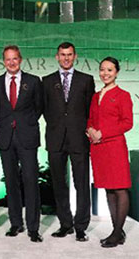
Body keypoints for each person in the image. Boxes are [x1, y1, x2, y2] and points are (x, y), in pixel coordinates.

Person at [43, 42, 95, 241]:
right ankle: (65, 224)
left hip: (78, 138)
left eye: (69, 55)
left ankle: (81, 226)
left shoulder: (86, 80)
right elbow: (45, 109)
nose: (66, 58)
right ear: (57, 57)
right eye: (62, 55)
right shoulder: (46, 81)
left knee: (81, 183)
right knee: (58, 183)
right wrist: (58, 125)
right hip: (55, 138)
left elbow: (91, 110)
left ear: (75, 56)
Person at [0, 45, 43, 242]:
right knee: (11, 181)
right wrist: (9, 123)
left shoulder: (33, 81)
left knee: (31, 181)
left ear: (20, 59)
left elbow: (39, 107)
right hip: (6, 137)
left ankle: (33, 227)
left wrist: (25, 123)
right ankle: (16, 223)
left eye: (15, 58)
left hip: (27, 136)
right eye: (8, 59)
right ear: (3, 61)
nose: (11, 62)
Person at [86, 57, 133, 248]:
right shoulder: (96, 96)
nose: (105, 73)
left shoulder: (123, 95)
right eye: (102, 70)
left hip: (114, 147)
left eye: (110, 70)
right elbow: (90, 119)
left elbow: (127, 122)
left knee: (120, 188)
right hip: (98, 148)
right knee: (108, 189)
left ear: (117, 72)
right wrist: (90, 131)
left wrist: (103, 133)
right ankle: (117, 230)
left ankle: (116, 233)